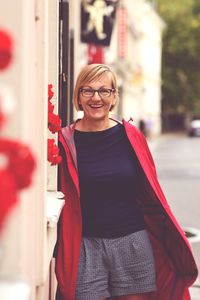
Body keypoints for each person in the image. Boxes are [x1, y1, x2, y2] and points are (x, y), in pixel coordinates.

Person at [55, 64, 198, 300]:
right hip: (85, 246)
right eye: (87, 90)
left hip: (132, 242)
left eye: (104, 91)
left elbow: (152, 192)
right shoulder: (65, 140)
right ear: (78, 97)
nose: (96, 98)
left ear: (114, 97)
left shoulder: (131, 136)